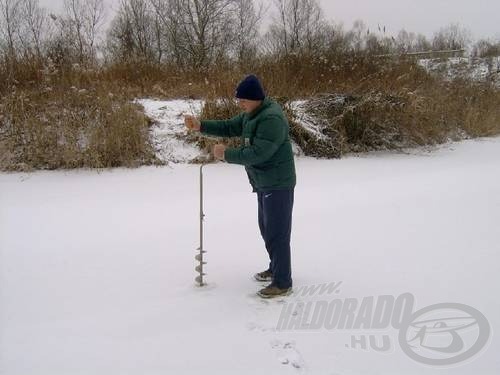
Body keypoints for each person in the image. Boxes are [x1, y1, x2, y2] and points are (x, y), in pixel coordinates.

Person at [184, 74, 296, 298]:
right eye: (239, 101)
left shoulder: (271, 119)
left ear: (256, 98)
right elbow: (228, 126)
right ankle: (276, 267)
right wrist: (200, 125)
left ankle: (283, 282)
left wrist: (226, 154)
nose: (240, 104)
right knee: (267, 230)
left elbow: (258, 153)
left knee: (276, 232)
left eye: (243, 100)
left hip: (277, 182)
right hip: (264, 182)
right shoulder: (251, 114)